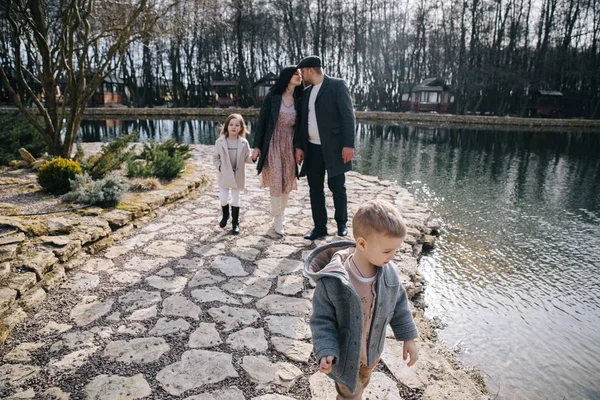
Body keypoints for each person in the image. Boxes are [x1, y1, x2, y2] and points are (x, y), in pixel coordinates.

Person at [304, 199, 419, 399]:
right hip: (344, 356)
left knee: (362, 383)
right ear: (362, 243)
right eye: (387, 251)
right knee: (350, 394)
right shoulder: (333, 282)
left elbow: (399, 305)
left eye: (395, 250)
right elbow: (322, 320)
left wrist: (408, 337)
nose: (392, 257)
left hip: (371, 353)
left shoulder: (389, 273)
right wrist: (326, 350)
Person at [294, 55, 356, 240]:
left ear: (311, 70)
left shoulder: (337, 85)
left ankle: (341, 224)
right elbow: (300, 123)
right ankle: (319, 227)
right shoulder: (306, 93)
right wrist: (299, 146)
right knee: (315, 188)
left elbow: (348, 116)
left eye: (303, 72)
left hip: (335, 148)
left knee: (337, 186)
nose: (302, 76)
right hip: (312, 149)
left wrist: (348, 144)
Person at [252, 66, 303, 235]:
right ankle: (277, 218)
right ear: (287, 77)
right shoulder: (272, 97)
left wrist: (299, 148)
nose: (299, 76)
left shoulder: (299, 98)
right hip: (273, 141)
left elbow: (302, 127)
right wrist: (257, 146)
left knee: (287, 181)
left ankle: (281, 213)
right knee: (275, 180)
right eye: (296, 74)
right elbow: (262, 123)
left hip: (290, 143)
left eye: (300, 74)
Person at [213, 113, 253, 234]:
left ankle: (235, 223)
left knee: (235, 199)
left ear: (241, 127)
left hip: (237, 176)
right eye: (231, 124)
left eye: (237, 125)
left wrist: (255, 158)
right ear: (226, 126)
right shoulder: (219, 141)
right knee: (223, 198)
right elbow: (215, 158)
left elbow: (247, 158)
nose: (233, 127)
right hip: (224, 175)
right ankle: (225, 216)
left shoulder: (244, 142)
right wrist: (220, 167)